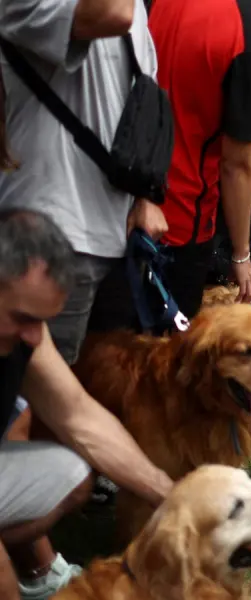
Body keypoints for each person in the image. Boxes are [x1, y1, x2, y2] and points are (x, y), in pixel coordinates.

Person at [0, 211, 173, 600]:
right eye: (22, 318)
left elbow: (79, 415)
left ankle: (31, 571)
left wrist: (171, 494)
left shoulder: (25, 333)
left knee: (71, 474)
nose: (32, 337)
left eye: (40, 322)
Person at [0, 0, 164, 366]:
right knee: (33, 406)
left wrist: (144, 198)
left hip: (119, 241)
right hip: (51, 240)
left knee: (92, 391)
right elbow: (112, 15)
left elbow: (140, 97)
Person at [148, 0, 251, 319]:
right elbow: (237, 164)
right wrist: (240, 253)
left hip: (122, 196)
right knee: (162, 354)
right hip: (179, 221)